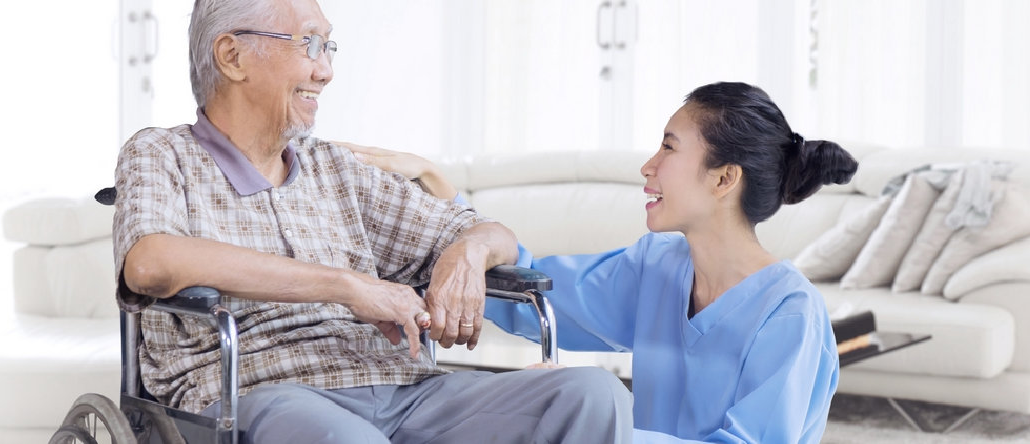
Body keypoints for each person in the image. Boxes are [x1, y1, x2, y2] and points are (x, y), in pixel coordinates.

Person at [111, 0, 632, 444]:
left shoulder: (336, 171)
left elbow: (492, 233)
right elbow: (151, 263)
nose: (325, 71)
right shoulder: (162, 153)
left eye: (328, 48)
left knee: (591, 394)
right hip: (261, 390)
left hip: (404, 388)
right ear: (233, 56)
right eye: (309, 44)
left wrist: (467, 254)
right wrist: (348, 287)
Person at [342, 82, 856, 443]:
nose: (648, 166)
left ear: (724, 179)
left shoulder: (790, 314)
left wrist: (587, 421)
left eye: (669, 148)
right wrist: (441, 191)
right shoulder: (658, 266)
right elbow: (537, 295)